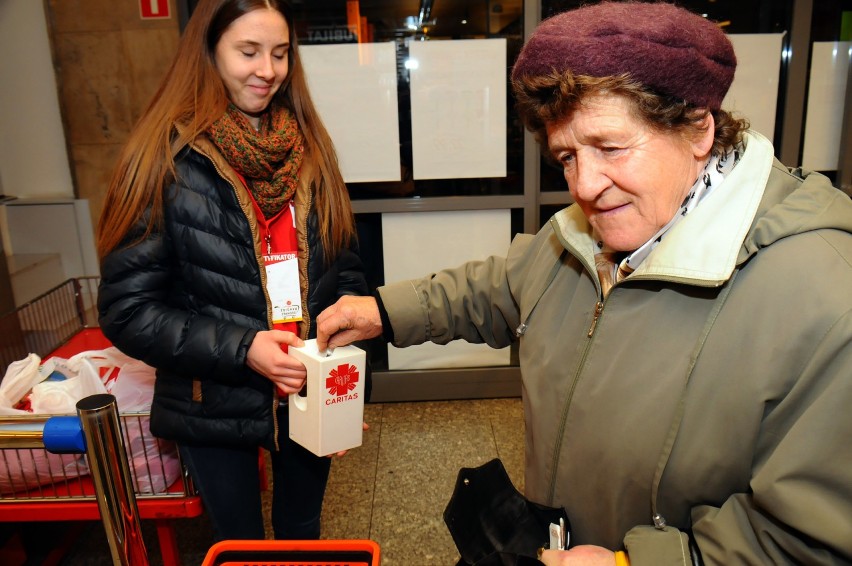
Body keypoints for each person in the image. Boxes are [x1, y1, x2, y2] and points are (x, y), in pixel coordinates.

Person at [315, 2, 852, 564]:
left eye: (611, 147)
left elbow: (809, 539)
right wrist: (384, 310)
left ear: (698, 128)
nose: (586, 186)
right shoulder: (588, 232)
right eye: (566, 156)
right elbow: (502, 287)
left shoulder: (825, 300)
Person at [96, 0, 369, 542]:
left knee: (301, 533)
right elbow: (127, 310)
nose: (266, 70)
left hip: (307, 386)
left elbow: (347, 271)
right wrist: (243, 346)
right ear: (209, 53)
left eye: (280, 53)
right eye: (247, 52)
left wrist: (348, 387)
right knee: (238, 543)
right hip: (209, 400)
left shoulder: (311, 148)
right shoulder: (163, 159)